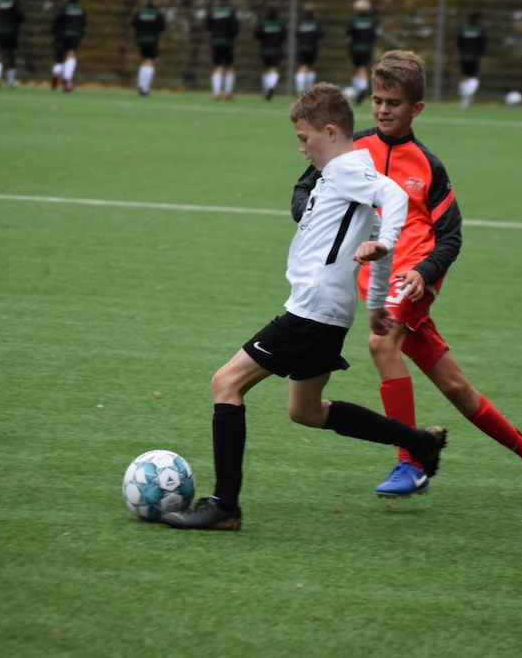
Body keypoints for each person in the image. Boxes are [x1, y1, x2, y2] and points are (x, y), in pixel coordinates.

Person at [158, 83, 447, 531]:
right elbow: (375, 240)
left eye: (304, 138)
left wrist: (387, 242)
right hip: (327, 313)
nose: (301, 148)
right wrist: (375, 304)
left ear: (329, 132)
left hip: (311, 313)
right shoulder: (345, 173)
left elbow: (393, 199)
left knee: (226, 383)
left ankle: (225, 506)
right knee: (306, 411)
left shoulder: (348, 169)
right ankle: (417, 442)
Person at [293, 51, 522, 499]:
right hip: (377, 285)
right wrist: (311, 216)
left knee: (380, 343)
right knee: (455, 386)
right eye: (378, 100)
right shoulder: (354, 149)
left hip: (412, 280)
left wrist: (423, 272)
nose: (383, 110)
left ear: (416, 109)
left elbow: (450, 237)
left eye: (394, 103)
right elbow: (305, 188)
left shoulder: (429, 166)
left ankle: (411, 461)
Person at [51, 0, 86, 93]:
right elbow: (84, 22)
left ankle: (56, 72)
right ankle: (67, 78)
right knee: (71, 56)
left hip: (63, 35)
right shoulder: (80, 8)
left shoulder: (64, 7)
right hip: (75, 35)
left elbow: (56, 20)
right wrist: (81, 33)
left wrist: (55, 32)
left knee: (62, 58)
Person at [131, 0, 166, 96]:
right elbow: (162, 27)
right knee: (149, 61)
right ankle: (144, 87)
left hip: (141, 39)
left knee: (145, 60)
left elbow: (134, 23)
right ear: (155, 0)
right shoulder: (157, 12)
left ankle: (142, 85)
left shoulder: (140, 11)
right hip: (152, 39)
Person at [207, 0, 240, 100]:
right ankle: (228, 92)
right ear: (229, 0)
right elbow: (235, 26)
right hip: (227, 42)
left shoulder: (213, 11)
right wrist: (231, 36)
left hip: (216, 41)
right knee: (229, 66)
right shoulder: (231, 11)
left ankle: (217, 92)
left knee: (218, 66)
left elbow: (208, 25)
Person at [0, 0, 25, 89]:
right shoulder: (15, 0)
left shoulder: (1, 1)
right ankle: (11, 80)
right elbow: (20, 15)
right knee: (12, 55)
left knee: (1, 52)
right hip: (12, 31)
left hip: (0, 30)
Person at [346, 0, 378, 104]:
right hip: (367, 48)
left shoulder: (353, 20)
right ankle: (362, 88)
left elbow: (349, 33)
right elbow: (374, 35)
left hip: (355, 48)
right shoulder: (372, 20)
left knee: (356, 69)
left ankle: (359, 90)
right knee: (363, 68)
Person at [254, 3, 286, 100]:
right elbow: (284, 36)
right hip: (276, 49)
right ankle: (271, 86)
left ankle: (266, 90)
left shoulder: (263, 23)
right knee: (274, 68)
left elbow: (257, 35)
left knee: (266, 69)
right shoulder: (280, 23)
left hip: (265, 49)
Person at [456, 12, 487, 108]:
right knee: (474, 76)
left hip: (464, 56)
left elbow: (459, 41)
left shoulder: (464, 28)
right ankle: (469, 92)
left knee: (464, 76)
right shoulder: (480, 29)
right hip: (474, 57)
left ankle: (464, 98)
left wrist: (461, 51)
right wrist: (480, 53)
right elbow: (483, 43)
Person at [294, 4, 322, 93]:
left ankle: (300, 88)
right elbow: (320, 34)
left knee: (302, 67)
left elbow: (297, 34)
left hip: (302, 47)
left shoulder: (301, 22)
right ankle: (309, 90)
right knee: (310, 67)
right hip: (312, 48)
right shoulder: (316, 22)